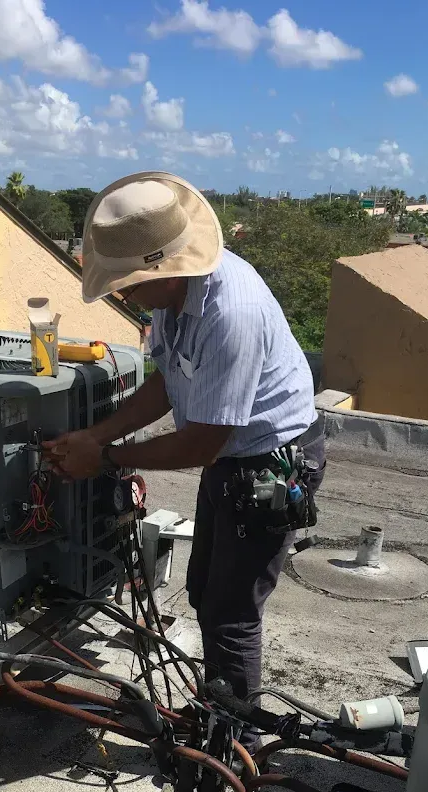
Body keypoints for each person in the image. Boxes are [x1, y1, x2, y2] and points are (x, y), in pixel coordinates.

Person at [43, 172, 324, 739]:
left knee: (233, 615)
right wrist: (97, 436)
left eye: (127, 284)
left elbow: (202, 441)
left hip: (271, 463)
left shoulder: (230, 313)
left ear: (163, 271)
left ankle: (231, 751)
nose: (123, 294)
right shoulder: (173, 304)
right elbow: (166, 382)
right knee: (204, 591)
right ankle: (218, 713)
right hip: (233, 459)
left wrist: (109, 459)